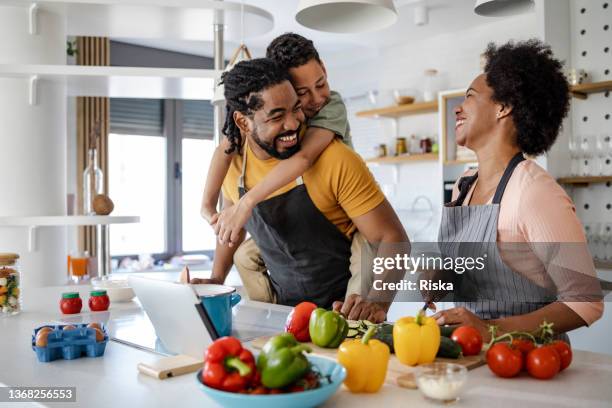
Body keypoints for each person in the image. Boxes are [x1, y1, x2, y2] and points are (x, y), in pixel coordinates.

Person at [192, 57, 408, 321]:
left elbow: (394, 240)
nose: (293, 124)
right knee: (244, 255)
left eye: (296, 108)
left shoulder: (334, 159)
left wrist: (378, 302)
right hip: (284, 317)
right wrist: (216, 279)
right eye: (277, 116)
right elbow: (230, 229)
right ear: (243, 123)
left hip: (344, 313)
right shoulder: (234, 162)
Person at [431, 40, 603, 340]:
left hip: (528, 362)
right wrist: (440, 278)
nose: (457, 107)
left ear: (504, 107)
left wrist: (490, 330)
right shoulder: (463, 185)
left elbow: (586, 301)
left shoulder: (534, 191)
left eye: (470, 97)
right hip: (469, 356)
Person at [200, 33, 369, 305]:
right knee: (245, 255)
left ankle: (353, 311)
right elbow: (224, 148)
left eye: (321, 84)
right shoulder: (247, 141)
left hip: (347, 221)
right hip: (294, 243)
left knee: (367, 250)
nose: (315, 99)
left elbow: (303, 159)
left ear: (324, 69)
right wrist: (208, 208)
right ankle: (269, 313)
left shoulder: (331, 107)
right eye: (302, 94)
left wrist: (246, 203)